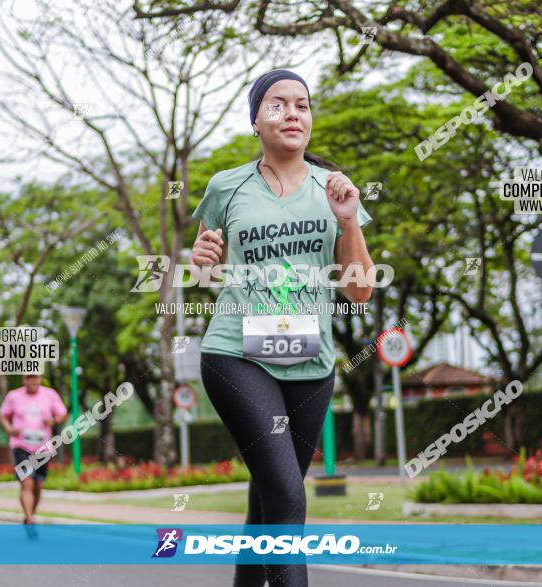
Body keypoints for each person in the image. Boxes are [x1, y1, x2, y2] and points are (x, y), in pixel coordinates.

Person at [190, 69, 374, 587]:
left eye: (302, 105)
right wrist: (200, 256)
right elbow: (206, 270)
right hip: (236, 353)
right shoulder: (226, 187)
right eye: (278, 105)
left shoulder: (335, 190)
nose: (292, 114)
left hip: (308, 359)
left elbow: (358, 290)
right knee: (288, 494)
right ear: (256, 119)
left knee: (267, 496)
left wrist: (349, 220)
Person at [0, 373, 68, 525]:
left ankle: (30, 513)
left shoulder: (50, 395)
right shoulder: (14, 396)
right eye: (29, 378)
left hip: (43, 447)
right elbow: (3, 415)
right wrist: (9, 428)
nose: (32, 381)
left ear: (40, 378)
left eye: (35, 377)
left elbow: (62, 414)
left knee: (38, 486)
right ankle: (30, 519)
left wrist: (53, 420)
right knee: (26, 483)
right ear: (24, 380)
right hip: (21, 445)